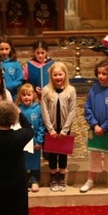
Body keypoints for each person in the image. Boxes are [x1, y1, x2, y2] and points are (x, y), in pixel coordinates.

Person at [80, 58, 108, 194]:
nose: (100, 76)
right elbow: (88, 108)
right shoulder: (94, 89)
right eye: (99, 73)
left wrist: (104, 126)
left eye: (104, 74)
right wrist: (94, 124)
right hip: (95, 130)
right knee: (94, 155)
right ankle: (90, 180)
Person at [41, 62, 77, 192]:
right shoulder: (46, 90)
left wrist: (65, 130)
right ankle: (53, 178)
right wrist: (50, 129)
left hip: (64, 128)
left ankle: (61, 177)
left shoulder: (71, 90)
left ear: (65, 75)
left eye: (60, 74)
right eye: (55, 75)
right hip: (51, 128)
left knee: (62, 153)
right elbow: (44, 111)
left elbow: (72, 111)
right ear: (51, 76)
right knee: (51, 154)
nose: (58, 77)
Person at [17, 83, 46, 192]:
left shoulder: (38, 109)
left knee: (34, 161)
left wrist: (39, 141)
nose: (26, 97)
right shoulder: (18, 110)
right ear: (20, 96)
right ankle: (23, 181)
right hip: (22, 142)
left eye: (29, 95)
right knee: (22, 162)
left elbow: (41, 126)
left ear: (33, 95)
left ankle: (34, 180)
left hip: (35, 141)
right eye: (24, 95)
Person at [0, 35, 23, 100]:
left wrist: (9, 86)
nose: (4, 52)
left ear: (10, 48)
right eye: (1, 49)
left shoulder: (15, 63)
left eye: (6, 49)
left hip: (12, 95)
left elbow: (19, 79)